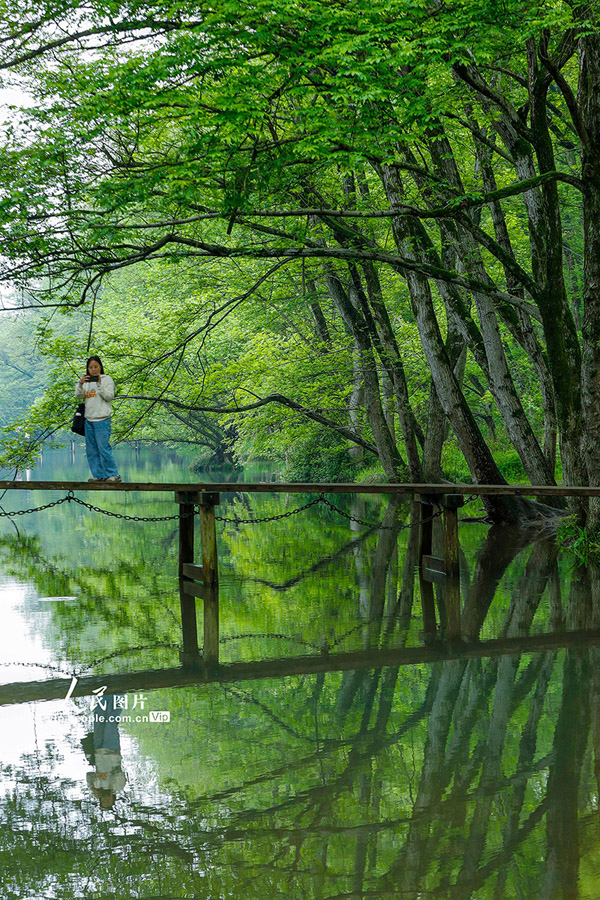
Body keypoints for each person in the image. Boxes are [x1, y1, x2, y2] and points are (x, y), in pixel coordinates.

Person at [76, 355, 122, 483]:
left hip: (102, 419)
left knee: (103, 448)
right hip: (88, 419)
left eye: (96, 367)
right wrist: (80, 384)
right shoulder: (86, 382)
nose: (93, 369)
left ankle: (113, 475)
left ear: (100, 367)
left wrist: (99, 384)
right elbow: (79, 395)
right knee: (91, 451)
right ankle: (99, 475)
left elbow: (109, 396)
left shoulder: (107, 379)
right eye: (90, 367)